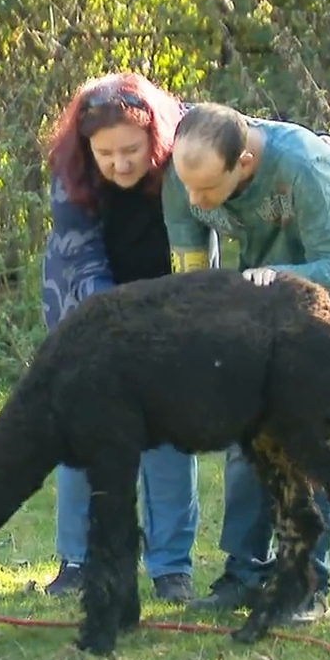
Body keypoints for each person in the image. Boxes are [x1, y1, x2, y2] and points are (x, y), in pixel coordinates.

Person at [161, 102, 330, 626]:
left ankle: (309, 584)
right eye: (186, 187)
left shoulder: (302, 165)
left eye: (207, 191)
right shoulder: (186, 174)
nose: (194, 201)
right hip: (263, 287)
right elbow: (192, 272)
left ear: (243, 163)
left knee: (310, 438)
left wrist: (259, 280)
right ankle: (243, 573)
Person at [37, 73, 220, 603]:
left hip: (172, 300)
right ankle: (80, 560)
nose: (119, 164)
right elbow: (82, 259)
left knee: (165, 435)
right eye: (106, 153)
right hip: (86, 303)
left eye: (131, 151)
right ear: (86, 147)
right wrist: (116, 331)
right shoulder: (67, 169)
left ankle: (171, 568)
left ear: (156, 139)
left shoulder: (188, 151)